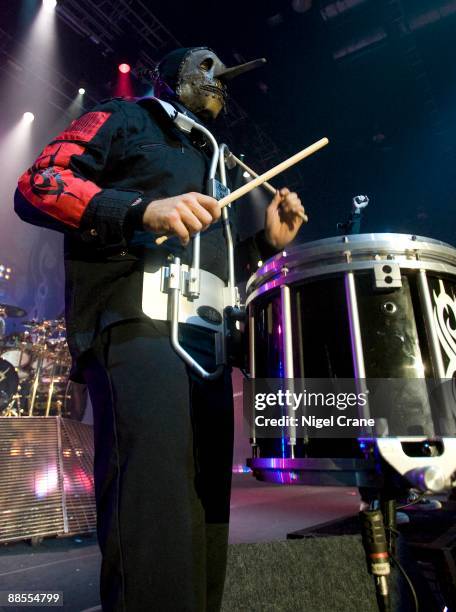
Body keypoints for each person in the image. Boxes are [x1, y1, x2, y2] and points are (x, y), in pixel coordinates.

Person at [14, 47, 306, 611]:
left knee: (205, 523)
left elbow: (206, 265)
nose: (218, 77)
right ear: (167, 77)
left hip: (208, 349)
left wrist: (265, 244)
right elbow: (39, 182)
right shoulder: (126, 118)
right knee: (156, 515)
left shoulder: (219, 160)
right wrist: (141, 211)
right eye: (205, 65)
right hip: (138, 329)